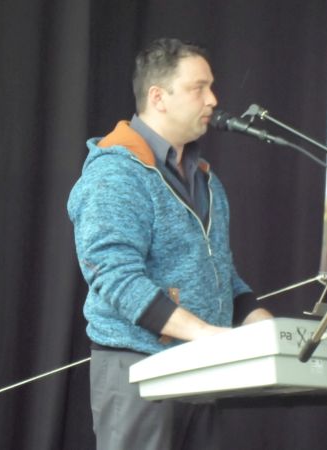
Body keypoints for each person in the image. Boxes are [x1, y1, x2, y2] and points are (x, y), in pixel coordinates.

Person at [67, 37, 272, 450]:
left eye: (212, 87)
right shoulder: (115, 174)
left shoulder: (208, 181)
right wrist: (207, 334)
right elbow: (115, 276)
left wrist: (265, 328)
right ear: (158, 97)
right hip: (138, 369)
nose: (213, 100)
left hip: (202, 368)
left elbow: (220, 274)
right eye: (199, 88)